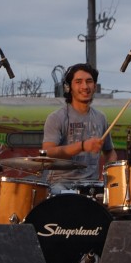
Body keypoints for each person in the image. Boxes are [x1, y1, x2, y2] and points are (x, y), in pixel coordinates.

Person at [41, 63, 118, 193]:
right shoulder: (56, 117)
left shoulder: (100, 118)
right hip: (61, 185)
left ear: (94, 87)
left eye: (89, 81)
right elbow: (48, 152)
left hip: (92, 185)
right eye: (78, 82)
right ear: (68, 87)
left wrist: (107, 176)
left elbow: (110, 152)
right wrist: (82, 146)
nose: (85, 86)